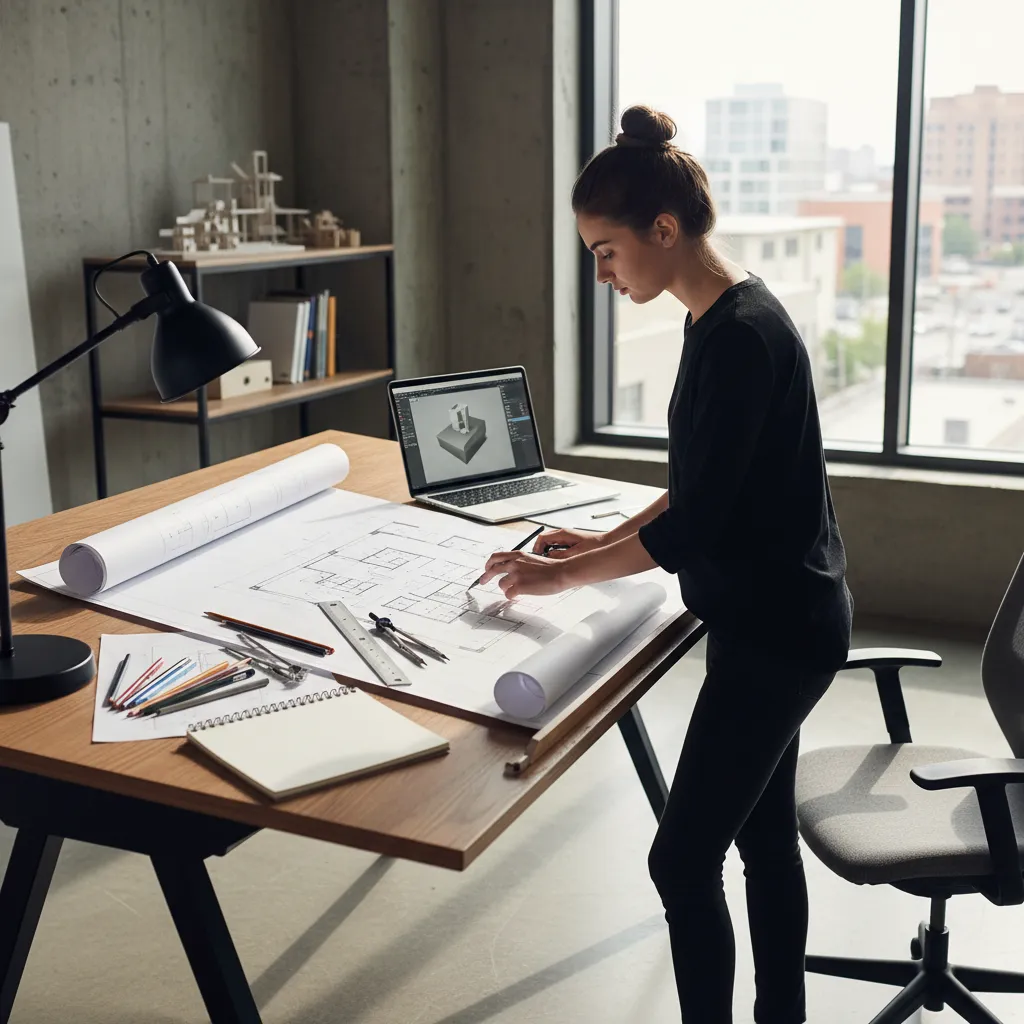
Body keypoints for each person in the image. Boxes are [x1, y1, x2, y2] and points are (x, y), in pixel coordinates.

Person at [477, 105, 853, 1024]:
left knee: (680, 861)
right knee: (762, 839)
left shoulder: (743, 338)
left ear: (664, 229)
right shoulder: (720, 316)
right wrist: (595, 544)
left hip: (778, 635)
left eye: (606, 252)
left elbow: (696, 527)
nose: (602, 273)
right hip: (777, 618)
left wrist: (555, 577)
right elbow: (701, 487)